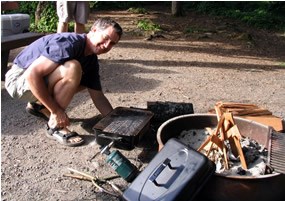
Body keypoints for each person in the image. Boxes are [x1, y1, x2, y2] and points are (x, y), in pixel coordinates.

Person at [5, 18, 123, 147]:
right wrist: (56, 111)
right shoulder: (69, 43)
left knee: (86, 81)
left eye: (112, 43)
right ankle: (55, 126)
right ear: (94, 30)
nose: (107, 45)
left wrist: (115, 123)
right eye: (106, 38)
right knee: (73, 67)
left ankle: (39, 106)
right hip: (18, 80)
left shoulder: (91, 60)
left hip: (33, 81)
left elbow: (98, 96)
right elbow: (32, 74)